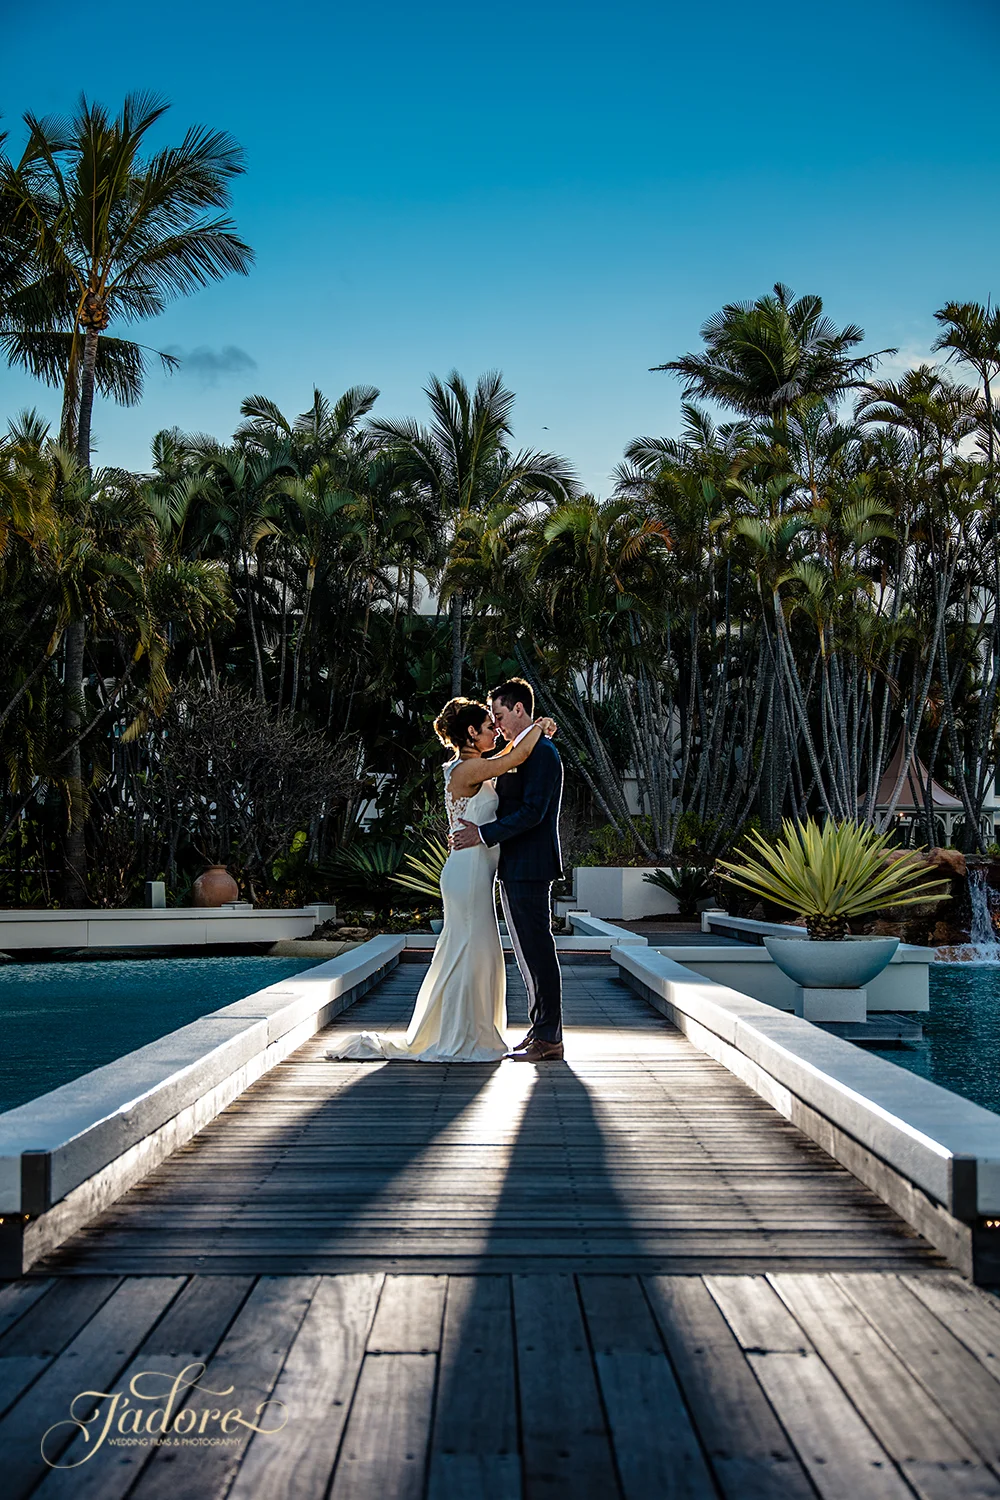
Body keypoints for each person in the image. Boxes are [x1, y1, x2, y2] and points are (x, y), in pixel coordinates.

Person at [326, 697, 555, 1062]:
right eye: (488, 725)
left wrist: (530, 732)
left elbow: (512, 752)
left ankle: (470, 1029)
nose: (496, 729)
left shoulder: (475, 763)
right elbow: (514, 758)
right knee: (468, 949)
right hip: (467, 875)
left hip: (475, 874)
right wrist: (539, 728)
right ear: (470, 733)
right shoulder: (466, 770)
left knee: (476, 951)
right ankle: (459, 1034)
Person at [451, 677, 565, 1062]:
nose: (496, 724)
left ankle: (549, 1037)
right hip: (512, 866)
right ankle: (540, 1030)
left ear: (519, 709)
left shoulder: (543, 754)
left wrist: (483, 834)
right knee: (527, 952)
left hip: (531, 866)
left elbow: (533, 812)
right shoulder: (519, 750)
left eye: (499, 714)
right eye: (492, 719)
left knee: (537, 950)